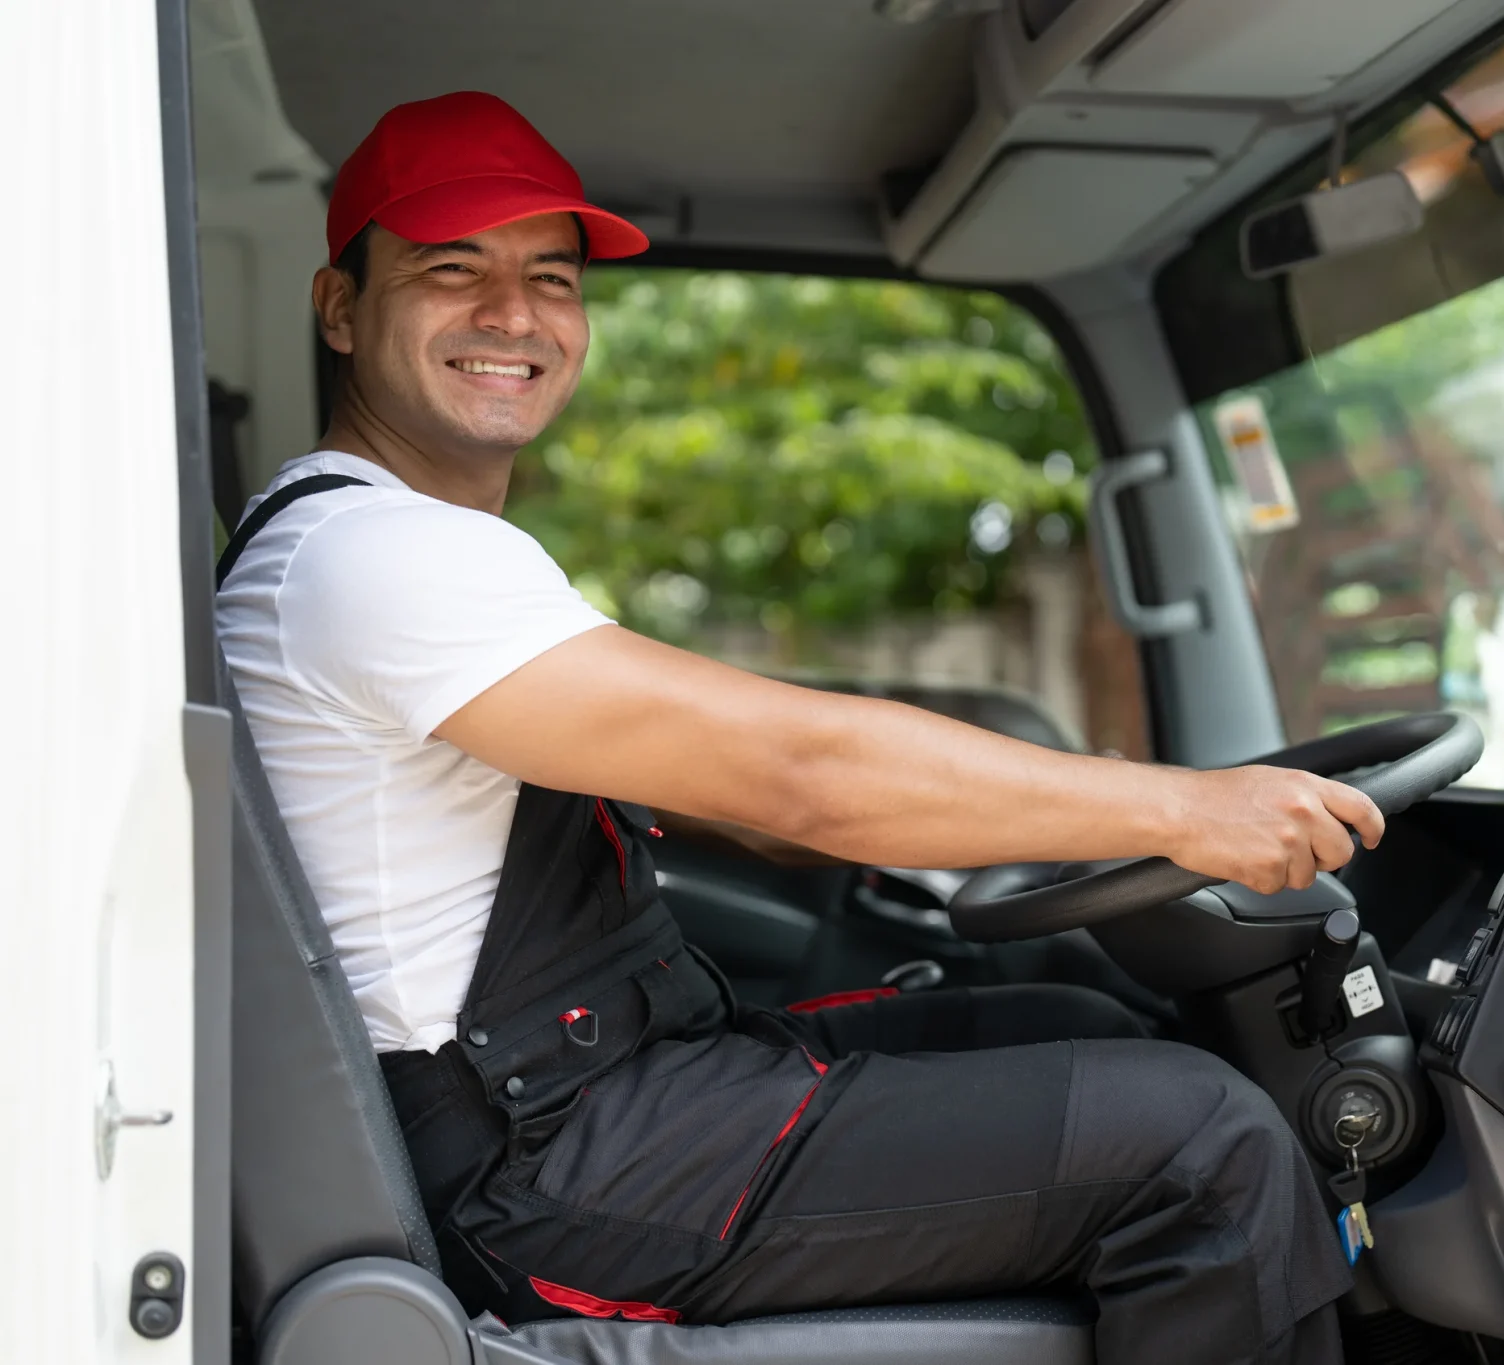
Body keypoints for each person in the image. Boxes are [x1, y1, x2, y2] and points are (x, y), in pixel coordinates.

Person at [215, 91, 1383, 1365]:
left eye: (550, 277)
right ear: (341, 306)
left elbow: (722, 784)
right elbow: (795, 769)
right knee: (1203, 1145)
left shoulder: (392, 545)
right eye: (453, 272)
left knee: (1080, 1027)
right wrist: (1181, 808)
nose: (513, 316)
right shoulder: (374, 556)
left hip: (593, 1097)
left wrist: (1035, 802)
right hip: (543, 1163)